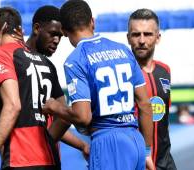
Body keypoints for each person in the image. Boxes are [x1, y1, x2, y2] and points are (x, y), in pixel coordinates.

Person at [42, 0, 154, 170]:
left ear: (64, 32)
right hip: (135, 140)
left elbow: (82, 116)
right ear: (92, 21)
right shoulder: (123, 50)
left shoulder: (76, 60)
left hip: (108, 142)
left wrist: (54, 107)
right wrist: (146, 151)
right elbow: (145, 104)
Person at [0, 7, 65, 170]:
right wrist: (47, 140)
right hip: (49, 159)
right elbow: (64, 115)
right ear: (18, 29)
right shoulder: (46, 62)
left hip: (20, 158)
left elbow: (13, 106)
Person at [26, 5, 89, 159]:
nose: (57, 41)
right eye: (53, 34)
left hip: (35, 158)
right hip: (29, 157)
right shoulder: (17, 60)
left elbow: (63, 117)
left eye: (60, 36)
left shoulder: (49, 66)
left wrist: (82, 145)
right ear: (36, 28)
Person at [127, 8, 177, 170]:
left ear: (158, 38)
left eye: (147, 34)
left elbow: (164, 117)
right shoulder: (123, 73)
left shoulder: (165, 70)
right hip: (135, 162)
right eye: (136, 34)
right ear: (128, 38)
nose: (141, 40)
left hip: (165, 161)